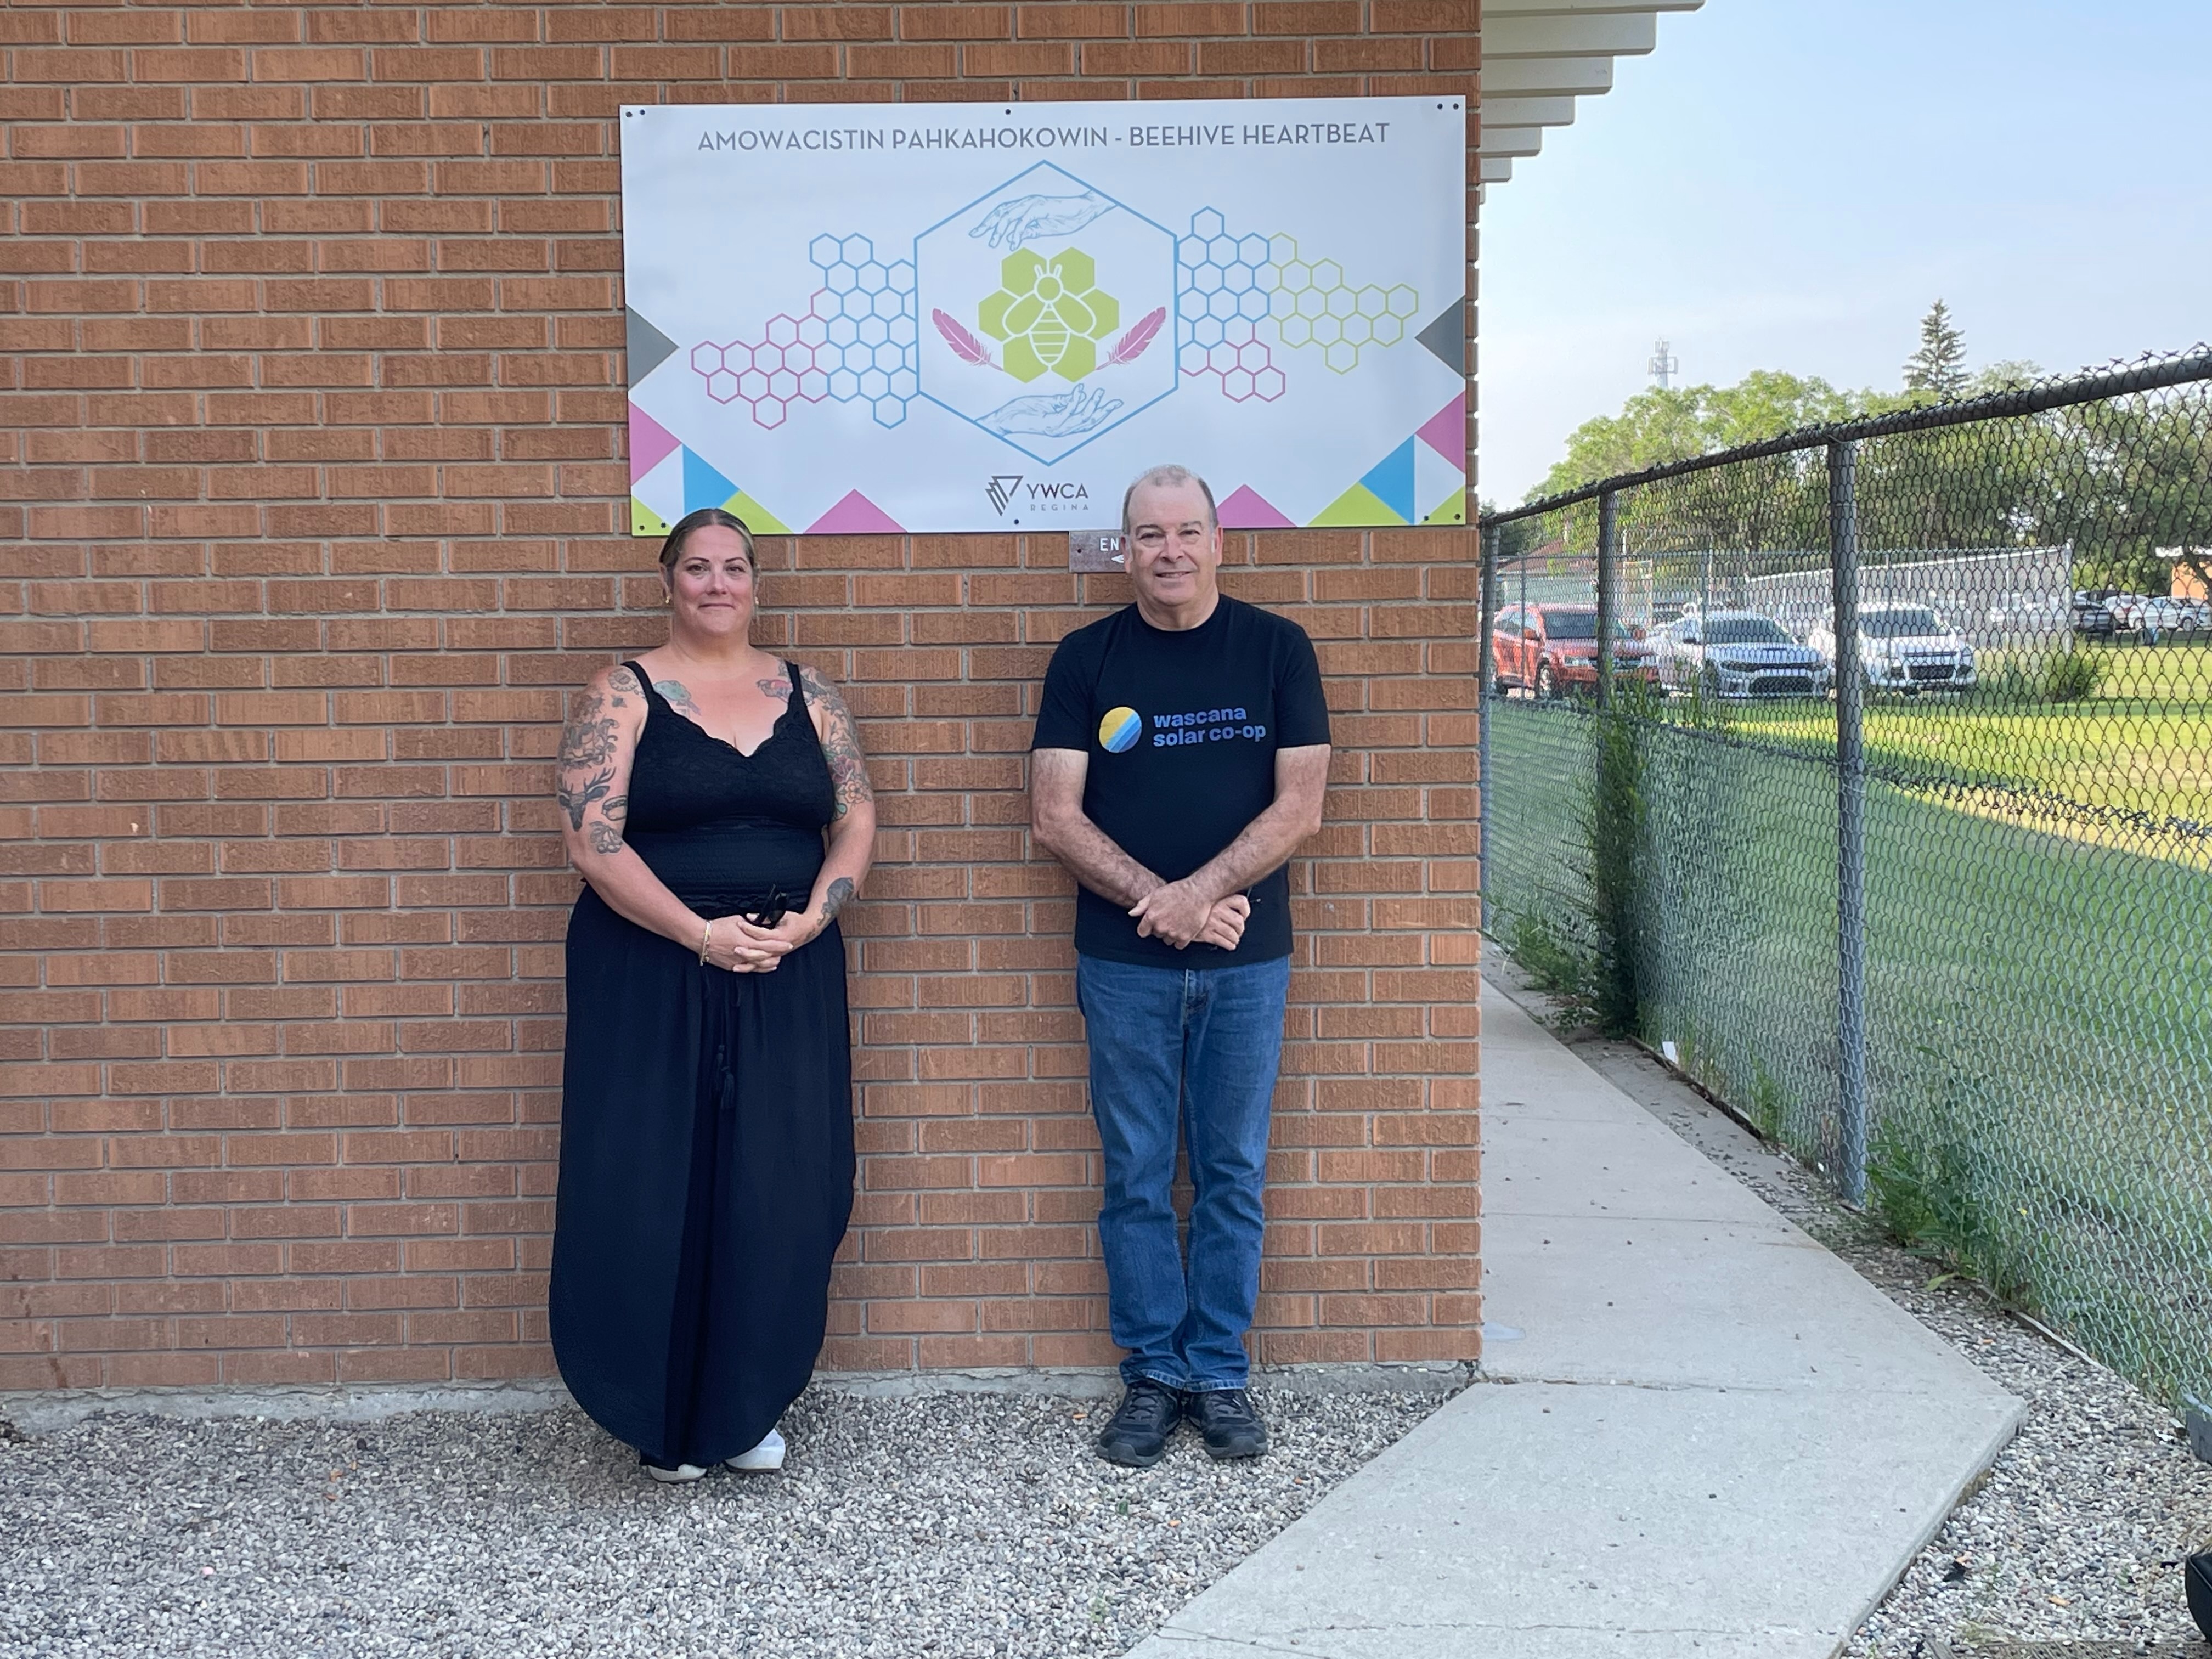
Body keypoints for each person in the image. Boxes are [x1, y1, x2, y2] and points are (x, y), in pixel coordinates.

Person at [548, 506, 874, 1484]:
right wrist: (697, 934)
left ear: (756, 581)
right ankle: (659, 1413)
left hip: (788, 963)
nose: (718, 584)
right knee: (650, 1181)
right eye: (698, 567)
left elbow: (857, 819)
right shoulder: (623, 691)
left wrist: (814, 920)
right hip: (651, 968)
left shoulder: (810, 692)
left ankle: (743, 1405)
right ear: (669, 580)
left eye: (735, 567)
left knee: (779, 1182)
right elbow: (592, 839)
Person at [1030, 464, 1332, 1468]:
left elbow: (1301, 808)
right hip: (1123, 964)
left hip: (1249, 962)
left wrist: (1196, 897)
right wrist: (1165, 907)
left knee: (1234, 1171)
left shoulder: (1277, 650)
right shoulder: (1087, 659)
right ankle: (1154, 1375)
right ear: (1125, 549)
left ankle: (1219, 1371)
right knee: (1136, 1173)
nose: (1169, 551)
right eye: (1148, 535)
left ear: (1218, 541)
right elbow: (1055, 815)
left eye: (1186, 532)